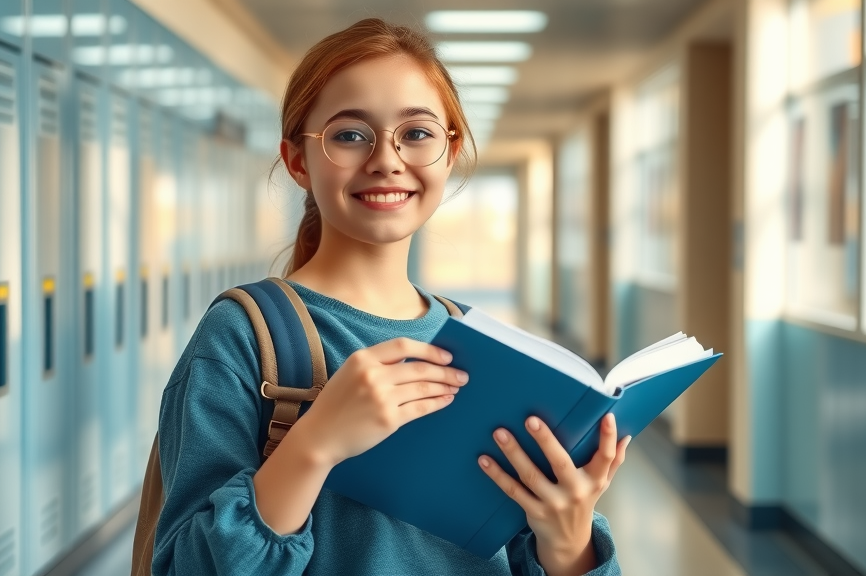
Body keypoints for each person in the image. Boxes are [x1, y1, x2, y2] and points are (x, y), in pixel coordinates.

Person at [152, 17, 628, 576]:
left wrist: (568, 539)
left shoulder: (481, 347)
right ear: (298, 160)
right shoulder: (241, 338)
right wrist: (315, 445)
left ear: (449, 154)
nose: (385, 158)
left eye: (418, 133)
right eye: (350, 135)